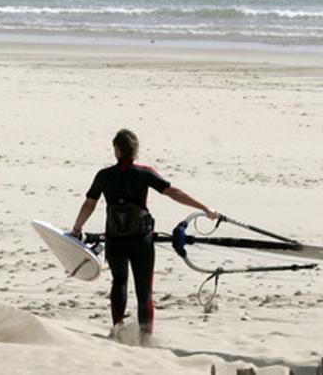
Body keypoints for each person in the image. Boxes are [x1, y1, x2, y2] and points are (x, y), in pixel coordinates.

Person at [70, 128, 219, 342]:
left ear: (117, 149)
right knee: (144, 289)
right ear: (135, 150)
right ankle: (145, 336)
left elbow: (89, 204)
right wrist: (205, 208)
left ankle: (118, 328)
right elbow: (174, 193)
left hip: (115, 240)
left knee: (119, 281)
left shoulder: (104, 176)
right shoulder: (143, 173)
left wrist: (76, 229)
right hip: (141, 240)